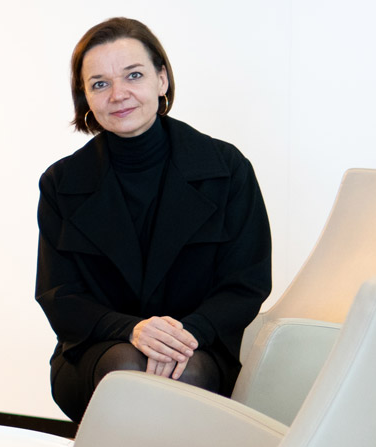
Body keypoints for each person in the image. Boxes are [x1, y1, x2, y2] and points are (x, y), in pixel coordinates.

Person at [35, 17, 271, 423]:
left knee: (183, 373)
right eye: (100, 84)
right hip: (98, 348)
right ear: (85, 97)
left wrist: (185, 334)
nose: (118, 95)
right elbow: (59, 294)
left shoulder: (227, 169)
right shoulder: (62, 183)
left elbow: (246, 283)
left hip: (199, 344)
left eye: (134, 75)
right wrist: (132, 330)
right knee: (127, 370)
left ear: (162, 79)